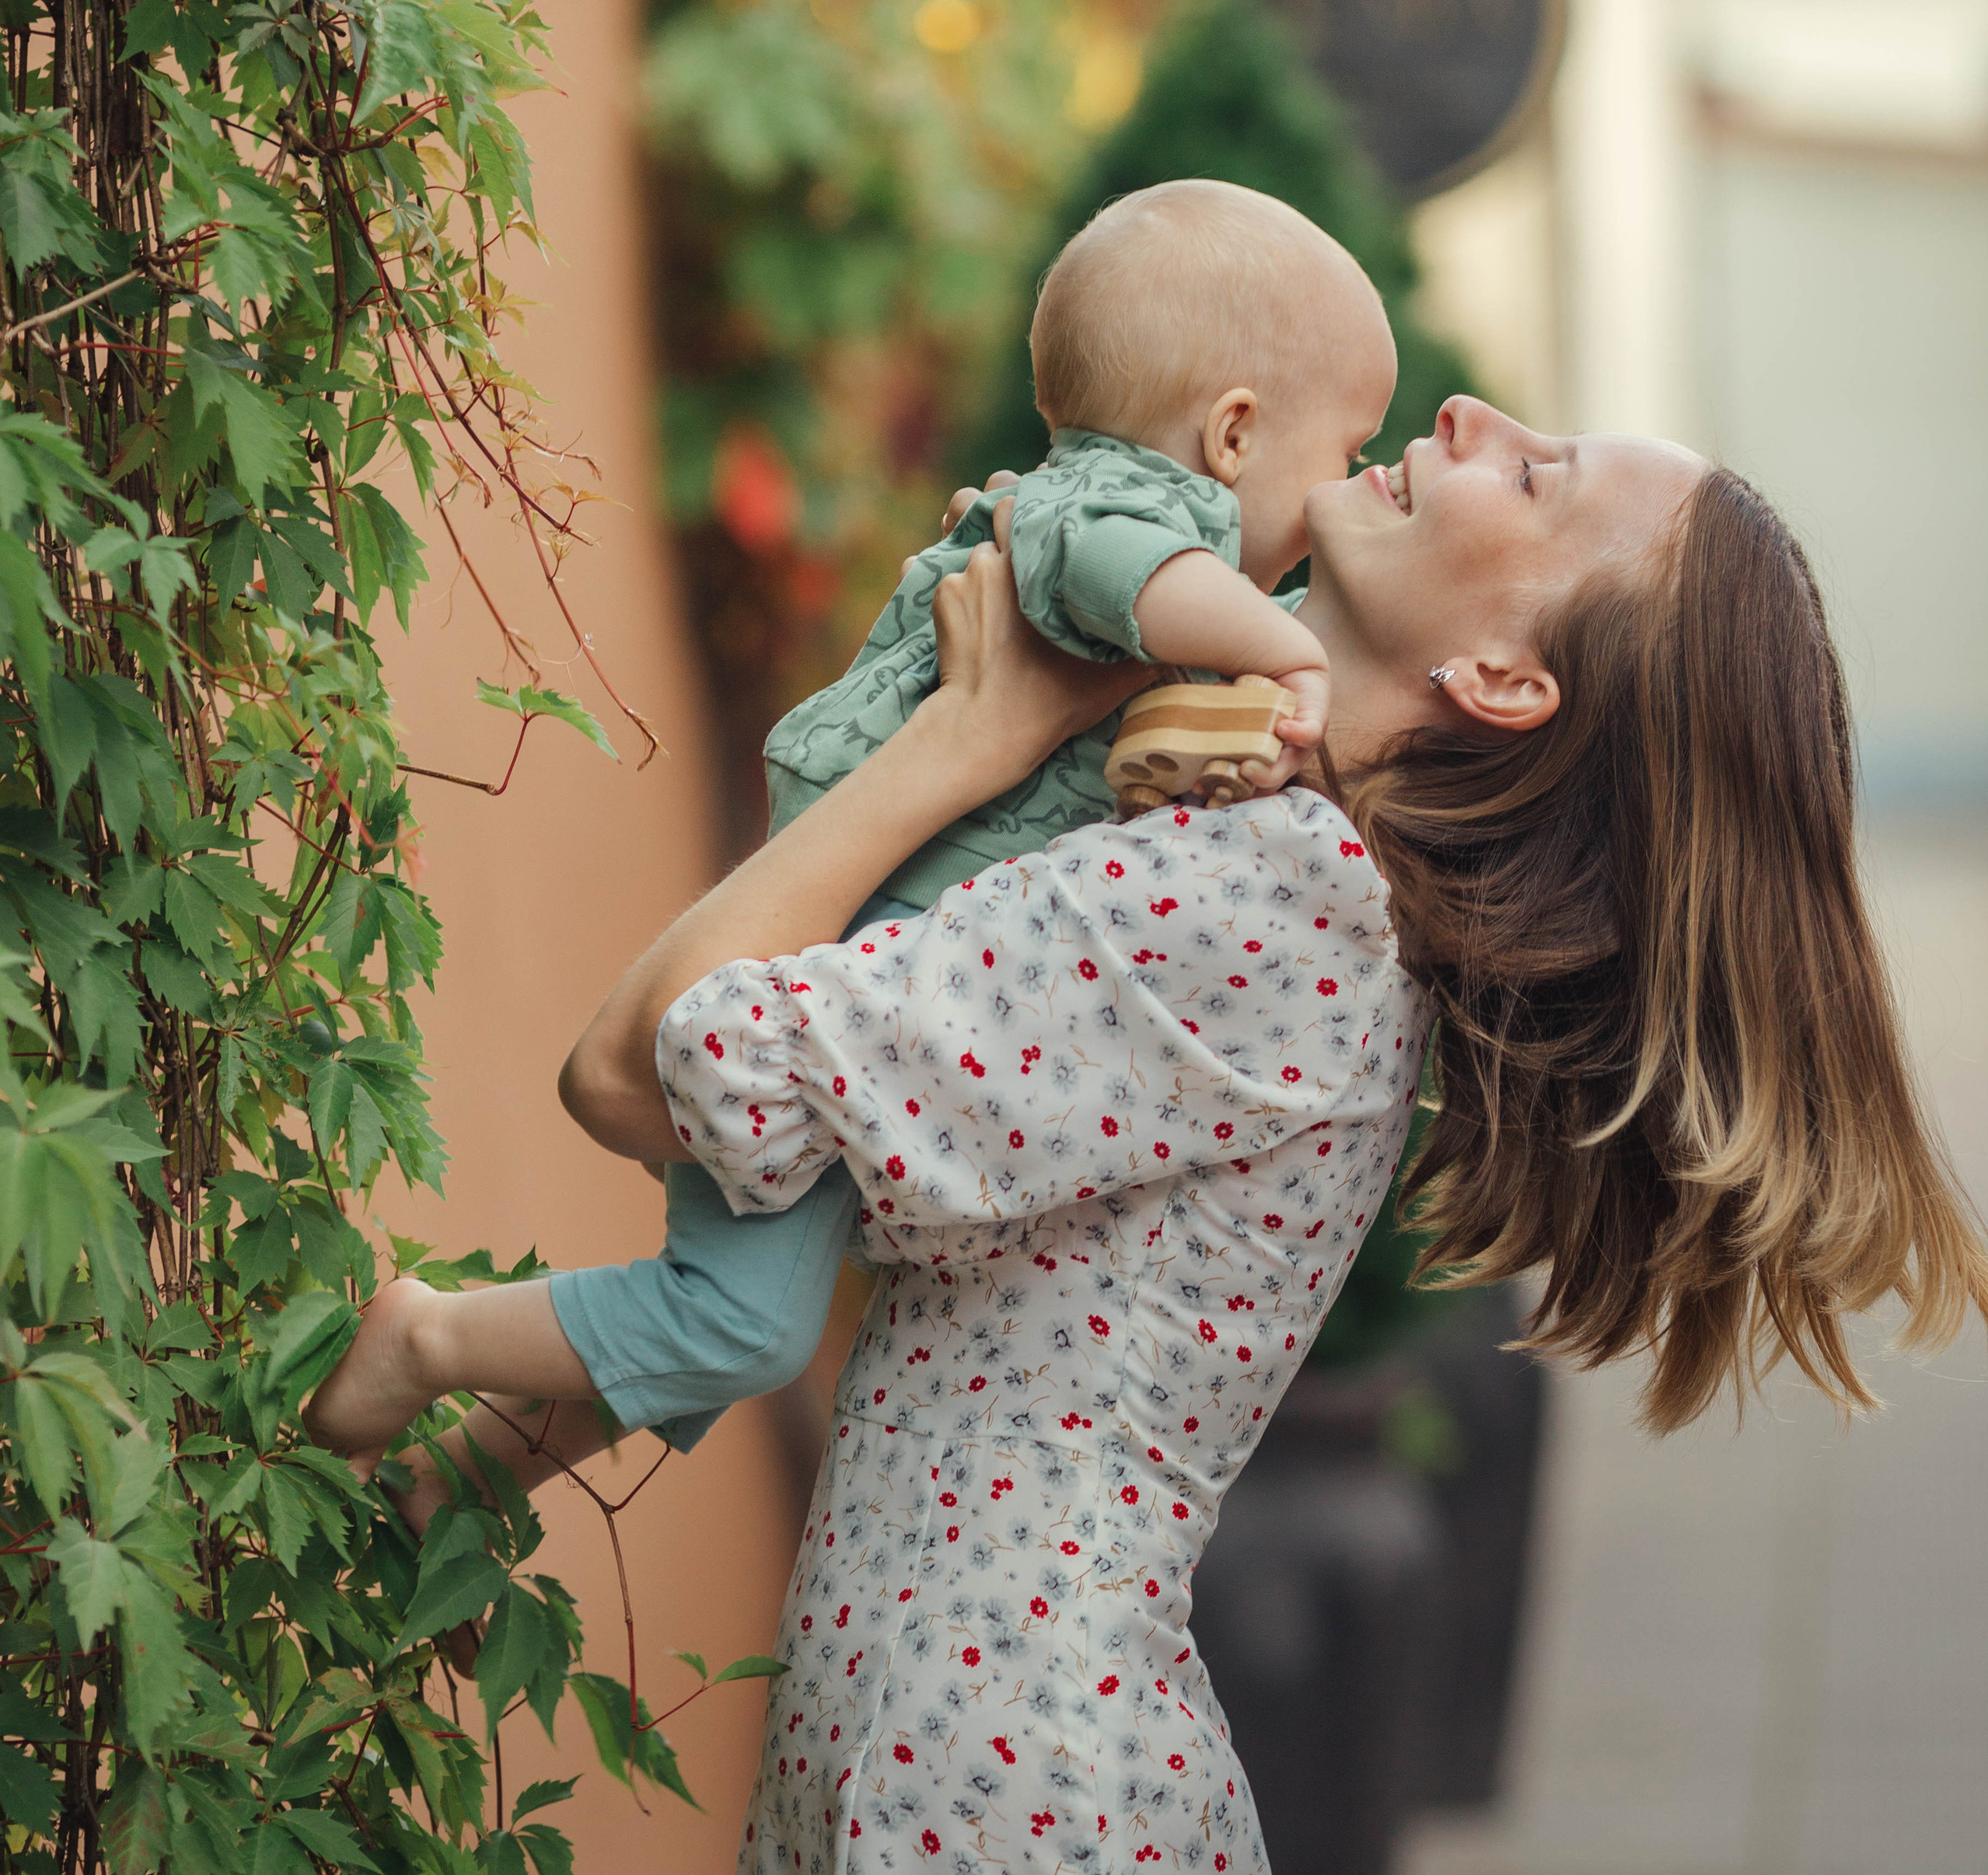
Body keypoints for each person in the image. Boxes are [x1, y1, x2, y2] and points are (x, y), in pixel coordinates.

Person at [312, 393, 1988, 1875]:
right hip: (975, 1776)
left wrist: (960, 742)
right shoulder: (1289, 867)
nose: (1473, 421)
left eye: (1537, 476)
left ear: (1500, 673)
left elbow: (650, 1060)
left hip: (984, 1807)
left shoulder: (1281, 894)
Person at [315, 179, 1396, 1464]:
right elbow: (1133, 578)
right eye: (1345, 448)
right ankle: (426, 1339)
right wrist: (1285, 653)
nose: (1348, 490)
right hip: (849, 913)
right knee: (746, 1326)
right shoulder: (1128, 516)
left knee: (755, 1292)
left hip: (885, 923)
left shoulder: (1155, 550)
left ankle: (472, 1474)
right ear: (1230, 433)